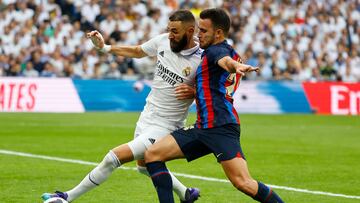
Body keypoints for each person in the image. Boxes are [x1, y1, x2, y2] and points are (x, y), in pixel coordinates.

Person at [42, 10, 202, 203]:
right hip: (147, 116)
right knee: (143, 167)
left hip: (167, 126)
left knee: (113, 158)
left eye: (175, 31)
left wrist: (195, 93)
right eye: (169, 30)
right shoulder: (163, 41)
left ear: (190, 31)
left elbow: (214, 91)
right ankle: (186, 193)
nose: (170, 35)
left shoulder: (201, 59)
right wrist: (104, 47)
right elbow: (137, 51)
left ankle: (66, 197)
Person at [144, 8, 285, 203]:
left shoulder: (216, 51)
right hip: (203, 127)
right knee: (152, 155)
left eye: (203, 30)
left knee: (243, 182)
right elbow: (219, 83)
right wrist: (196, 92)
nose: (198, 34)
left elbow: (225, 61)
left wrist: (236, 66)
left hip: (221, 128)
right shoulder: (214, 52)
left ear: (218, 33)